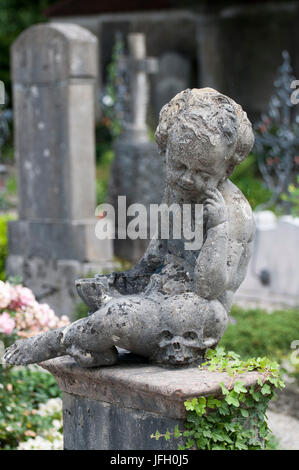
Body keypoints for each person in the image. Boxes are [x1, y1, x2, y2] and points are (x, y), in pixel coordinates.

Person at [4, 88, 255, 368]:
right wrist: (124, 281)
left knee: (119, 316)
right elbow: (156, 257)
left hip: (196, 314)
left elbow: (209, 288)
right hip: (161, 297)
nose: (187, 179)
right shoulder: (178, 190)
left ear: (225, 170)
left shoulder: (232, 212)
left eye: (203, 174)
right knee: (105, 294)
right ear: (166, 151)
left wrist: (218, 227)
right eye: (178, 165)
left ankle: (56, 342)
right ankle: (96, 345)